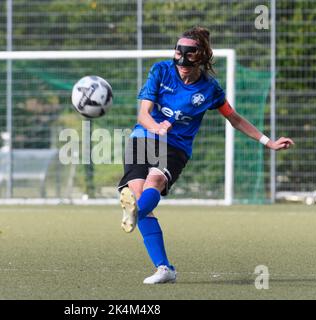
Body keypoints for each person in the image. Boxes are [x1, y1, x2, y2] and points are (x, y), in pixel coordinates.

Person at [117, 26, 294, 284]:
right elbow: (143, 113)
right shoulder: (160, 70)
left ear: (201, 58)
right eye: (179, 61)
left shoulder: (210, 89)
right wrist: (156, 127)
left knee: (153, 184)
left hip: (175, 146)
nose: (183, 68)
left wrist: (269, 142)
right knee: (140, 196)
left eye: (189, 63)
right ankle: (164, 268)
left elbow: (234, 118)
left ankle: (133, 213)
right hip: (142, 138)